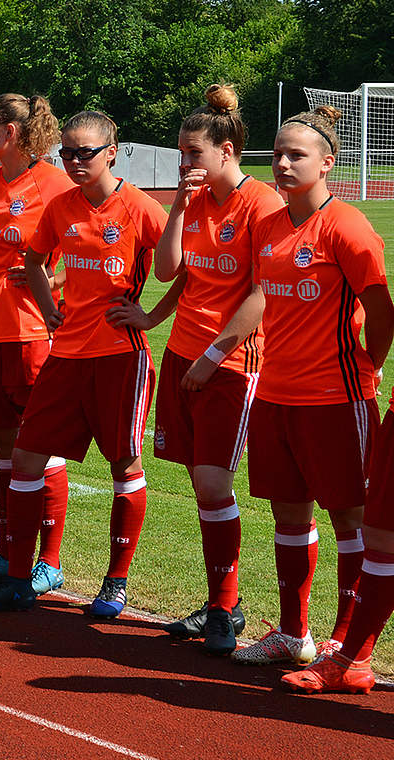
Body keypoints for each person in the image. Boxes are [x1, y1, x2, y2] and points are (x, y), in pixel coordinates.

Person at [0, 111, 167, 616]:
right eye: (68, 153)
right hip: (66, 353)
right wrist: (51, 310)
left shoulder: (138, 207)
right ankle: (16, 578)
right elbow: (33, 261)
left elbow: (184, 265)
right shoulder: (62, 207)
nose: (74, 162)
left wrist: (152, 315)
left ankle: (115, 582)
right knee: (26, 459)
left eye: (86, 153)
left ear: (112, 151)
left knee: (125, 467)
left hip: (120, 356)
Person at [232, 105, 393, 668]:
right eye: (277, 153)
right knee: (289, 514)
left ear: (328, 164)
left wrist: (365, 367)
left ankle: (343, 640)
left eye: (296, 155)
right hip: (275, 394)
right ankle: (294, 634)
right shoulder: (270, 226)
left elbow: (381, 310)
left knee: (351, 516)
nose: (282, 164)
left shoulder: (346, 226)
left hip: (335, 399)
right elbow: (261, 298)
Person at [143, 84, 283, 655]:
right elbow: (169, 269)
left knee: (213, 482)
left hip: (230, 363)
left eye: (193, 154)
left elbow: (262, 294)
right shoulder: (194, 200)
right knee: (202, 485)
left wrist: (212, 356)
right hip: (183, 354)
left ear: (226, 151)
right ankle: (220, 603)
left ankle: (225, 608)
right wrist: (177, 202)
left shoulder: (261, 204)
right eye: (181, 155)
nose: (186, 165)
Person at [0, 93, 74, 585]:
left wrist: (57, 284)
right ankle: (8, 554)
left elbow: (87, 244)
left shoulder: (53, 183)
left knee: (40, 444)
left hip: (32, 331)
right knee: (4, 448)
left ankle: (48, 562)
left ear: (12, 133)